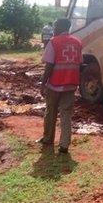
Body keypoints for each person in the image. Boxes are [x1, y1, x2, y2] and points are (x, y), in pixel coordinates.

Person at [36, 18, 82, 154]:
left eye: (55, 26)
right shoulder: (78, 42)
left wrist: (43, 84)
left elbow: (49, 65)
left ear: (60, 27)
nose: (53, 30)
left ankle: (48, 138)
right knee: (66, 114)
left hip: (55, 84)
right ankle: (64, 145)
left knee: (50, 111)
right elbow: (79, 63)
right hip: (71, 84)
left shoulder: (53, 42)